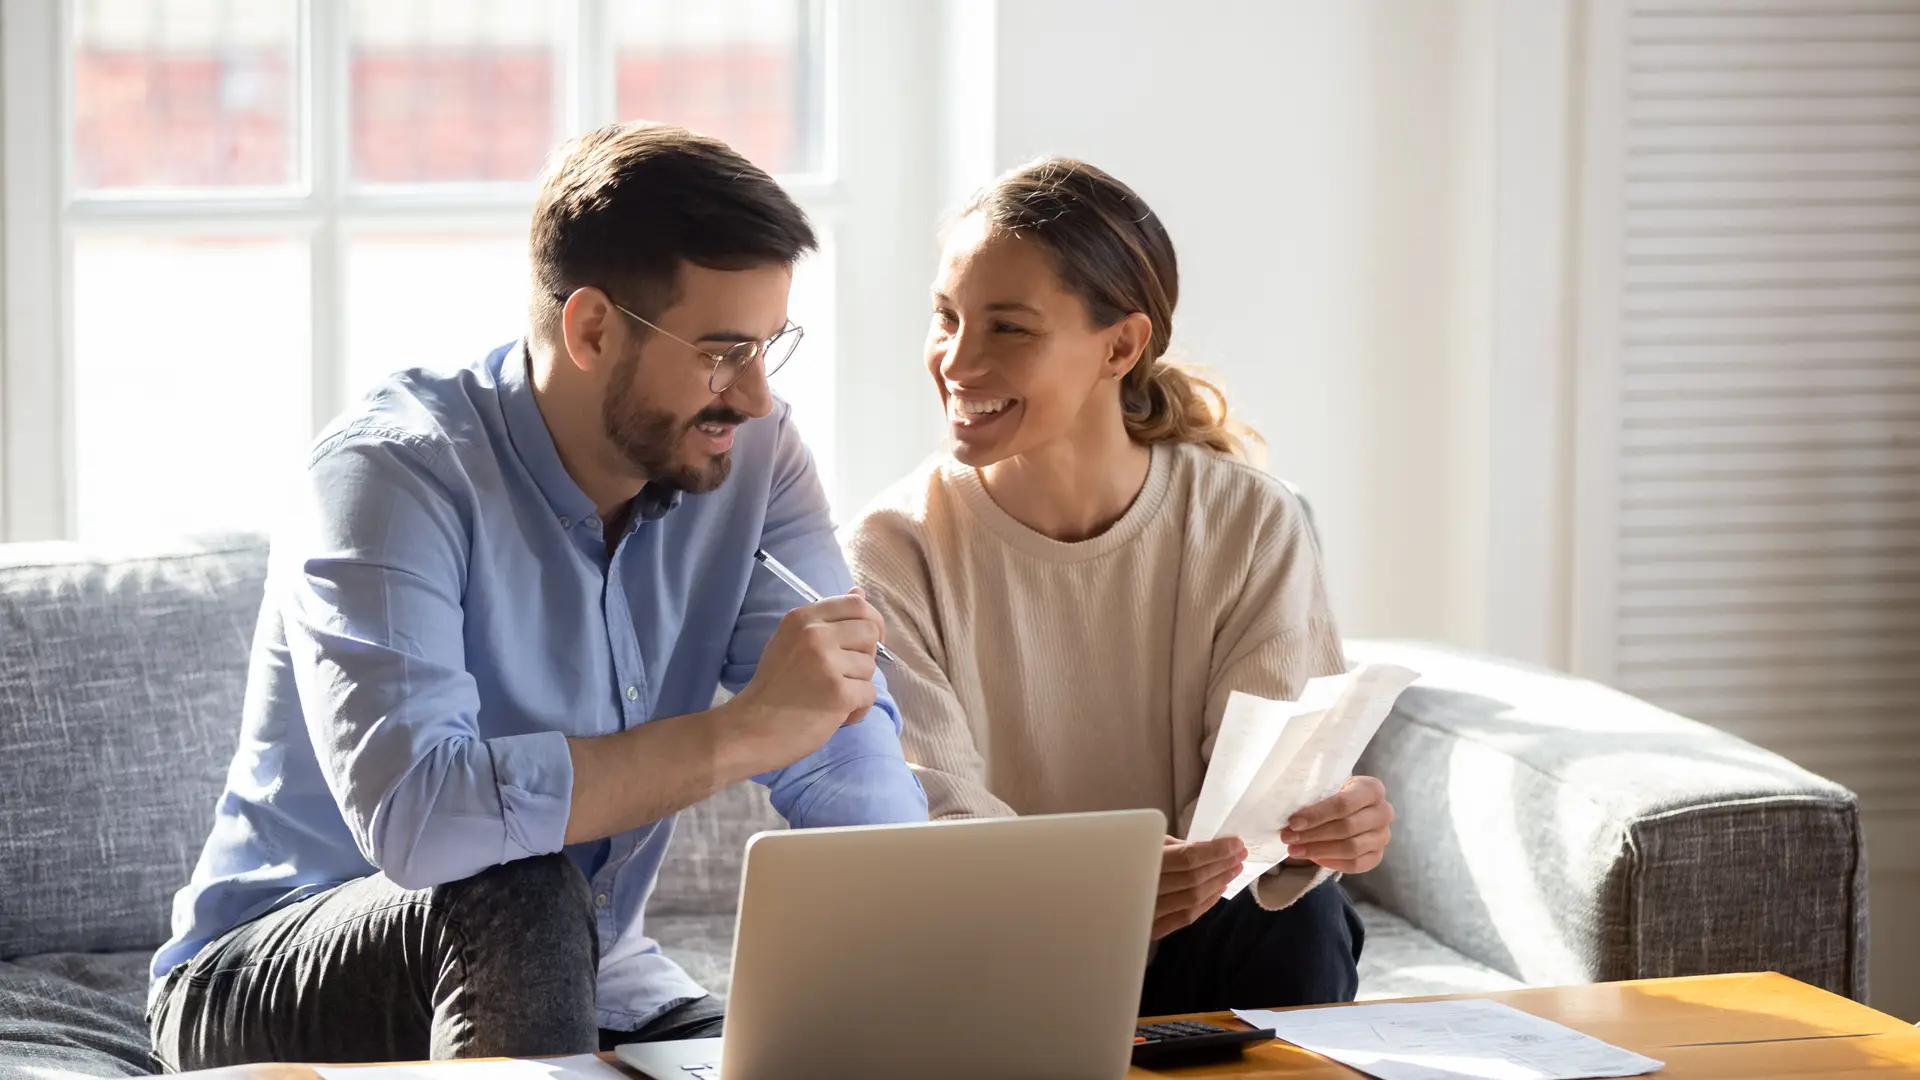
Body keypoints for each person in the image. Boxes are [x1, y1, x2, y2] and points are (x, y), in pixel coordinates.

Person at [147, 122, 926, 1069]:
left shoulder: (753, 455)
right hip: (271, 965)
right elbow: (423, 819)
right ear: (592, 328)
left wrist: (923, 943)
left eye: (770, 346)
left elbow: (839, 738)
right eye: (724, 351)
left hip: (599, 974)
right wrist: (739, 733)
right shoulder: (390, 478)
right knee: (518, 887)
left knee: (798, 1055)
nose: (755, 396)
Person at [843, 157, 1395, 1015]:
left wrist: (1321, 831)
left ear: (1122, 345)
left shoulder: (1249, 521)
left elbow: (1263, 813)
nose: (957, 360)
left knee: (1302, 922)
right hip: (996, 950)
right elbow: (935, 824)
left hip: (1204, 934)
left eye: (1008, 329)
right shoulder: (893, 547)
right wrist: (1109, 890)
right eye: (945, 318)